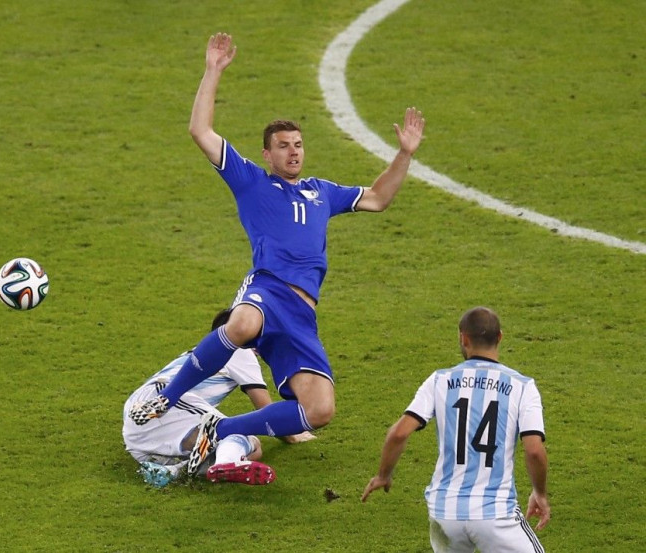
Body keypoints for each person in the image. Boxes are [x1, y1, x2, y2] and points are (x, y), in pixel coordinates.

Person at [129, 32, 425, 476]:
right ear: (267, 154)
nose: (293, 151)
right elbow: (200, 131)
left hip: (302, 315)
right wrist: (212, 71)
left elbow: (379, 198)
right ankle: (166, 398)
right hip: (267, 288)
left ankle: (225, 429)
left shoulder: (323, 192)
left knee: (320, 409)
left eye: (299, 144)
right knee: (242, 322)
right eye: (284, 145)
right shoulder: (252, 181)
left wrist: (404, 154)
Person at [362, 307, 550, 553]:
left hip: (444, 512)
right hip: (495, 513)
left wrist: (383, 475)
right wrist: (539, 492)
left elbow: (399, 433)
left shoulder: (439, 380)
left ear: (464, 338)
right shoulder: (522, 386)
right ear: (500, 337)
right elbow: (534, 451)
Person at [124, 309, 314, 487]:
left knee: (252, 446)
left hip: (139, 428)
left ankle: (172, 471)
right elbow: (264, 408)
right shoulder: (240, 351)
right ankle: (225, 462)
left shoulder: (203, 351)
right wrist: (292, 436)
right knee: (233, 434)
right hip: (163, 405)